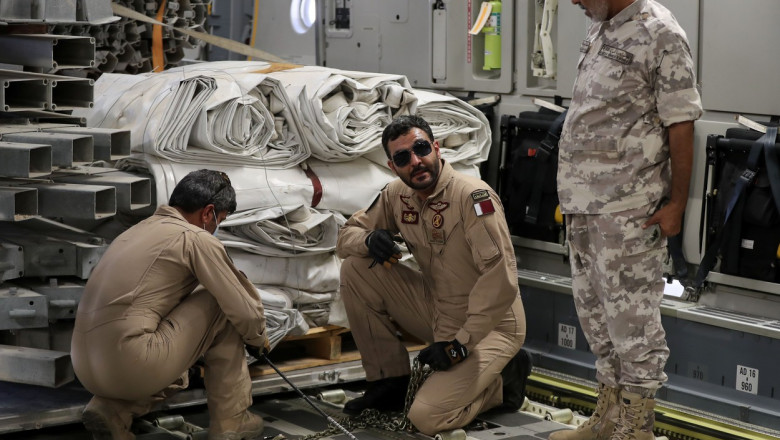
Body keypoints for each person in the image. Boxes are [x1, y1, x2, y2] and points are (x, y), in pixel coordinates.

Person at [549, 1, 703, 440]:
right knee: (596, 317)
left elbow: (681, 123)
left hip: (628, 208)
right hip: (583, 204)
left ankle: (636, 430)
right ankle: (608, 419)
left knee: (632, 324)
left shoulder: (659, 31)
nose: (574, 2)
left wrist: (677, 204)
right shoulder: (601, 26)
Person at [335, 115, 532, 436]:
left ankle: (502, 383)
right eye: (402, 158)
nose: (415, 161)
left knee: (426, 418)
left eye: (421, 149)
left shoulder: (473, 197)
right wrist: (368, 239)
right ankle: (390, 381)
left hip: (492, 325)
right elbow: (345, 239)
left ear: (436, 148)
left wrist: (460, 346)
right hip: (438, 310)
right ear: (392, 165)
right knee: (356, 268)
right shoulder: (396, 195)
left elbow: (502, 280)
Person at [71, 169, 269, 440]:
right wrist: (258, 340)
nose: (215, 228)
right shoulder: (195, 238)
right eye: (219, 221)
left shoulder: (138, 230)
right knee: (222, 301)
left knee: (162, 331)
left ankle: (112, 410)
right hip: (132, 362)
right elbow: (243, 309)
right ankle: (231, 423)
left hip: (85, 367)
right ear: (208, 213)